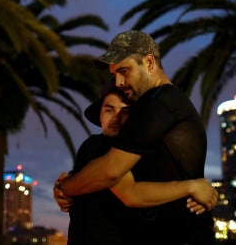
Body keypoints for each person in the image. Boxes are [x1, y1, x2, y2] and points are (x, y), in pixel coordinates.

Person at [54, 30, 215, 244]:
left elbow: (111, 171)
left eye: (124, 71)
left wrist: (65, 188)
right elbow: (128, 184)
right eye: (114, 75)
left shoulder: (160, 103)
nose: (119, 82)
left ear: (149, 62)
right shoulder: (159, 105)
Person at [65, 82, 217, 244]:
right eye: (109, 110)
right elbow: (130, 193)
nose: (116, 118)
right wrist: (192, 187)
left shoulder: (143, 156)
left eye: (126, 111)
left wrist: (198, 199)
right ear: (100, 115)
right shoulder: (97, 146)